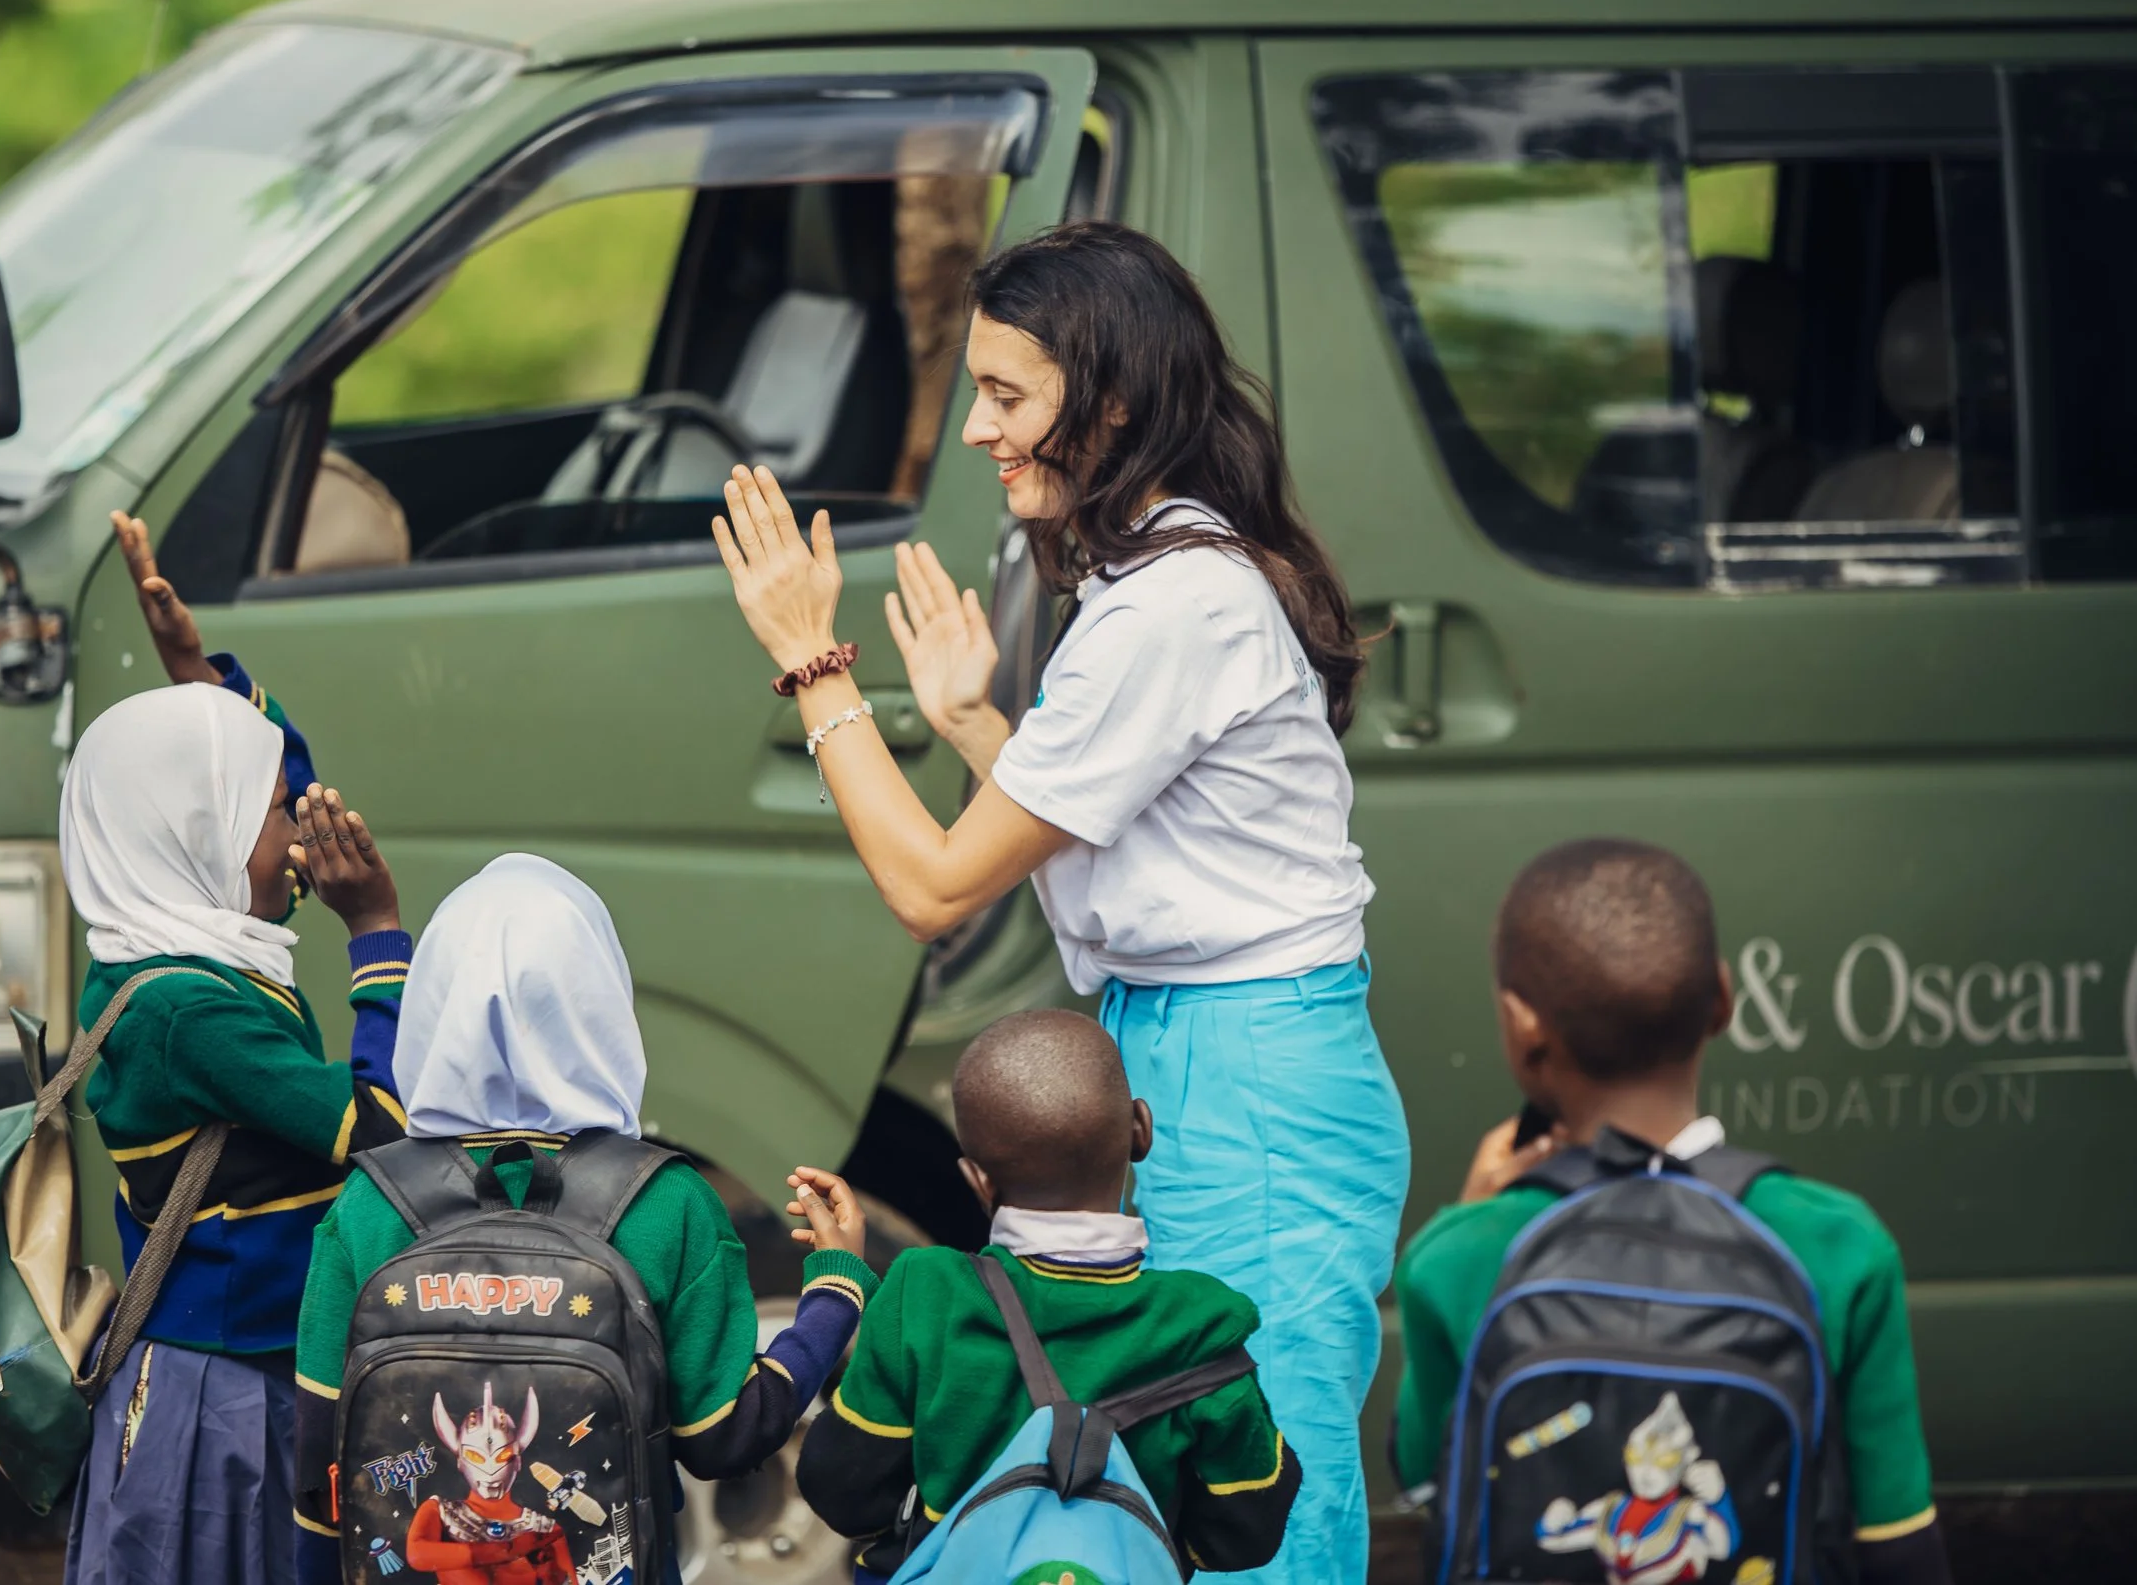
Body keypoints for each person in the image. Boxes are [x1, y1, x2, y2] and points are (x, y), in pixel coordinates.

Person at [713, 220, 1403, 1585]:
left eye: (1008, 395)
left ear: (1117, 402)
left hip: (1246, 1079)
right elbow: (1117, 821)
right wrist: (975, 724)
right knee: (1174, 1471)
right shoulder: (1163, 583)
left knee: (1273, 1514)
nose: (978, 428)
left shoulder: (1172, 605)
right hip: (1205, 1054)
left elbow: (933, 886)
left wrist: (814, 666)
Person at [291, 854, 879, 1585]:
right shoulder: (664, 1202)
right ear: (600, 1004)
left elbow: (322, 1459)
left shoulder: (370, 1202)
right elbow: (724, 1438)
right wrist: (834, 1292)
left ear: (433, 1005)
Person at [1392, 839, 1950, 1585]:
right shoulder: (1841, 1241)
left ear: (1524, 1029)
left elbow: (1421, 1473)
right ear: (1723, 998)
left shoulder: (1458, 1253)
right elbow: (1899, 1540)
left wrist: (1472, 1210)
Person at [60, 513, 417, 1585]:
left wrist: (195, 671)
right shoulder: (196, 1014)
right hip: (225, 1395)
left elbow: (271, 784)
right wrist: (378, 941)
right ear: (200, 835)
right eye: (270, 820)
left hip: (219, 1369)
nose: (300, 843)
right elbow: (380, 1134)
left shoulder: (156, 948)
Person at [797, 1008, 1297, 1580]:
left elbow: (841, 1491)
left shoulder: (926, 1293)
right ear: (1140, 1131)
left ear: (977, 1180)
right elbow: (1244, 1535)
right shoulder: (1204, 1326)